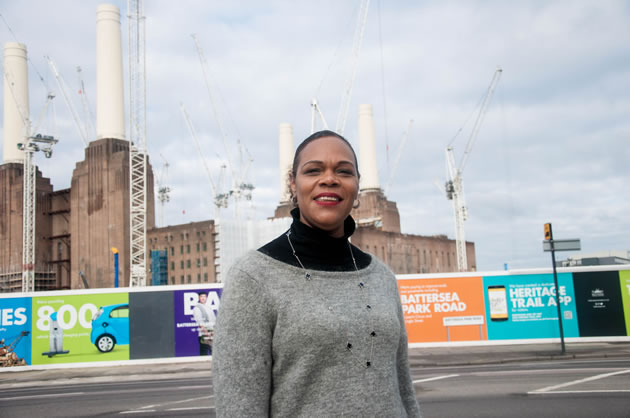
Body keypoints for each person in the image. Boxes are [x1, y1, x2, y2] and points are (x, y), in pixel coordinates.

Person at [213, 130, 421, 417]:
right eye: (313, 170)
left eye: (344, 171)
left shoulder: (381, 277)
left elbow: (404, 390)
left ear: (357, 186)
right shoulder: (253, 277)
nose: (329, 179)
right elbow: (239, 407)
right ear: (293, 184)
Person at [193, 291, 215, 356]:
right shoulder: (197, 308)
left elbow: (214, 320)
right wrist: (206, 333)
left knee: (213, 352)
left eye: (204, 296)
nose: (203, 298)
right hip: (204, 334)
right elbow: (200, 323)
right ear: (199, 298)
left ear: (206, 297)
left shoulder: (209, 308)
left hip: (212, 333)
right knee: (204, 353)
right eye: (201, 297)